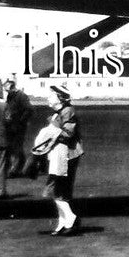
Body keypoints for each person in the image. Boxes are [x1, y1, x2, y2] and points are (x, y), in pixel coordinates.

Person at [43, 85, 83, 236]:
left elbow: (68, 133)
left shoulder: (67, 111)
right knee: (59, 191)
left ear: (60, 97)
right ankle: (64, 222)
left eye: (51, 94)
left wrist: (50, 131)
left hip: (68, 154)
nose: (48, 97)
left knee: (58, 190)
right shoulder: (60, 112)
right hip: (60, 154)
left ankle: (70, 218)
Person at [3, 78, 33, 177]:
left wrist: (20, 121)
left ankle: (15, 170)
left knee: (16, 147)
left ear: (12, 87)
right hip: (11, 126)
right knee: (13, 147)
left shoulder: (21, 96)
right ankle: (17, 168)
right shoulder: (10, 96)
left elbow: (29, 109)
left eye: (7, 89)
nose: (6, 91)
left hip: (18, 126)